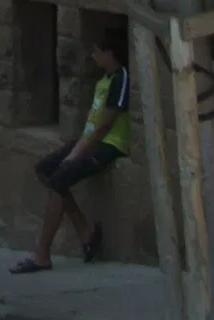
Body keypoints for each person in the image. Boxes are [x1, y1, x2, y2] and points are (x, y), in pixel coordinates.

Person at [11, 28, 131, 274]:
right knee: (45, 170)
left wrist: (77, 153)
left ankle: (42, 254)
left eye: (96, 52)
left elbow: (105, 125)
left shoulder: (121, 78)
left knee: (59, 180)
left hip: (108, 145)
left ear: (109, 53)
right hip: (89, 142)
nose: (93, 57)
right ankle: (85, 233)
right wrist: (76, 149)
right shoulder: (104, 79)